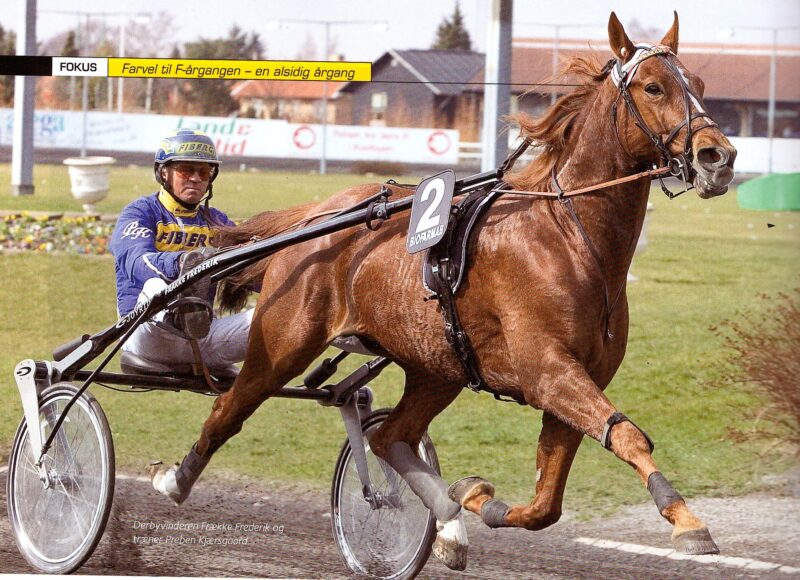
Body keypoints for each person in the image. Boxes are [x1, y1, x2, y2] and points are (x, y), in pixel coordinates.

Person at [110, 129, 253, 376]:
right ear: (163, 172)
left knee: (276, 314)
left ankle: (340, 331)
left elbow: (251, 267)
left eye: (204, 172)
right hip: (147, 338)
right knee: (155, 284)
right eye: (187, 170)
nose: (196, 179)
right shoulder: (139, 213)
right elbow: (135, 261)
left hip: (202, 340)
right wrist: (183, 263)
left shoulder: (217, 221)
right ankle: (181, 311)